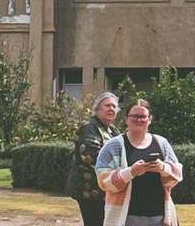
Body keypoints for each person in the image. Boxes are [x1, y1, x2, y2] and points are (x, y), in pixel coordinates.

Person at [94, 99, 183, 226]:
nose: (139, 120)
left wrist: (163, 168)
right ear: (126, 119)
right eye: (134, 116)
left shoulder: (161, 143)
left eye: (143, 116)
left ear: (150, 119)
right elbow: (103, 181)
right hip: (125, 217)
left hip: (159, 216)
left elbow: (177, 174)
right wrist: (131, 172)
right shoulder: (113, 146)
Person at [68, 91, 122, 226]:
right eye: (107, 105)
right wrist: (120, 170)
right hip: (89, 190)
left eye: (114, 107)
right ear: (97, 109)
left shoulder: (113, 130)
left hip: (105, 189)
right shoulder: (89, 127)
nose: (111, 109)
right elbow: (91, 156)